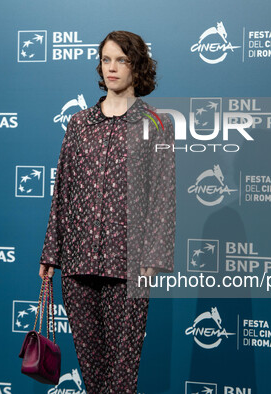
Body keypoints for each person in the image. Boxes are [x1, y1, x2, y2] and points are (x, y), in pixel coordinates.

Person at [38, 30, 175, 393]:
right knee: (94, 377)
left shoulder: (156, 123)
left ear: (137, 66)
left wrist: (154, 257)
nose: (112, 68)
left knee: (121, 378)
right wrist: (52, 252)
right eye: (106, 59)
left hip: (129, 266)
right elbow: (62, 190)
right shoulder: (79, 124)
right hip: (78, 265)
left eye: (121, 60)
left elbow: (163, 193)